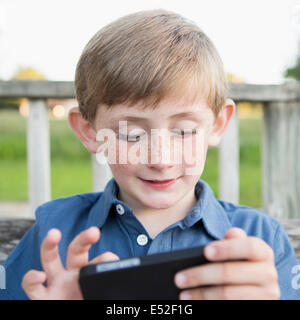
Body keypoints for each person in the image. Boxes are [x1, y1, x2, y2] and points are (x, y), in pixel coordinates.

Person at [1, 9, 299, 300]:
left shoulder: (260, 238)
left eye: (183, 131)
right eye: (132, 134)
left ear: (218, 125)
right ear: (90, 131)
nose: (160, 159)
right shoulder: (55, 233)